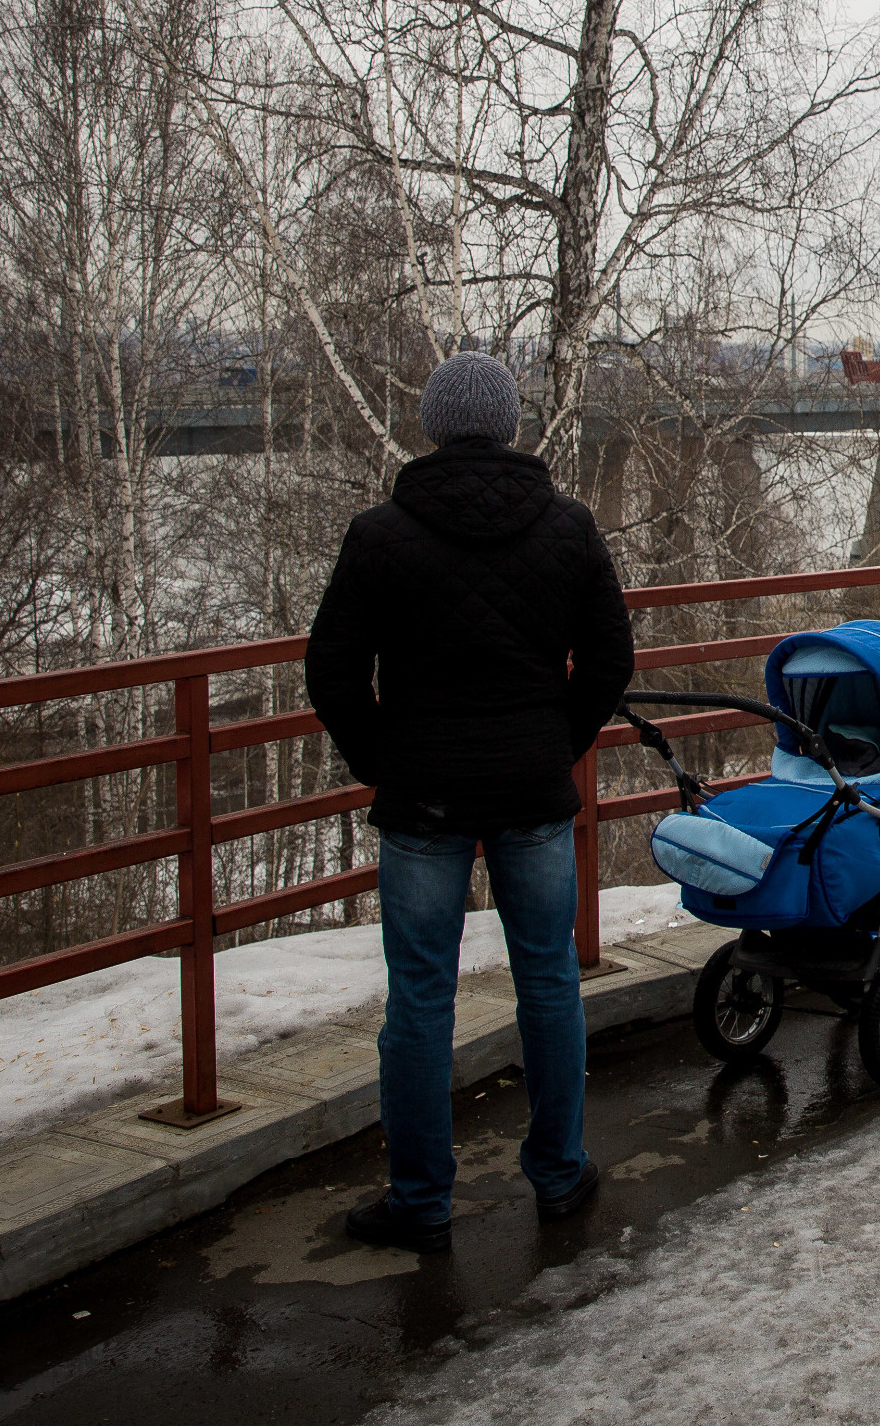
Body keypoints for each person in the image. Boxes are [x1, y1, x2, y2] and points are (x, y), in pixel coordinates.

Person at [304, 351, 635, 1252]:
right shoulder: (567, 528)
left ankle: (420, 1201)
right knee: (550, 983)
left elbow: (330, 671)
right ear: (514, 426)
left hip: (423, 802)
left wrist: (387, 758)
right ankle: (560, 1176)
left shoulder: (379, 535)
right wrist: (551, 745)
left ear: (432, 429)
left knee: (418, 1002)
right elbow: (611, 660)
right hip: (532, 792)